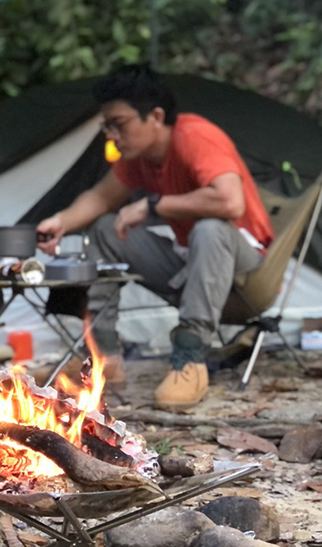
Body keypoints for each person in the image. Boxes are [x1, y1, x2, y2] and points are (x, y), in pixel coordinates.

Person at [36, 64, 274, 412]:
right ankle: (104, 360)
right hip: (193, 269)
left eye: (120, 124)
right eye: (107, 126)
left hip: (247, 276)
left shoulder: (194, 136)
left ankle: (190, 359)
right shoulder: (140, 157)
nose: (111, 134)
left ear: (156, 116)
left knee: (209, 226)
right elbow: (102, 198)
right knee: (105, 228)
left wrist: (153, 205)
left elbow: (229, 201)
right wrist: (60, 221)